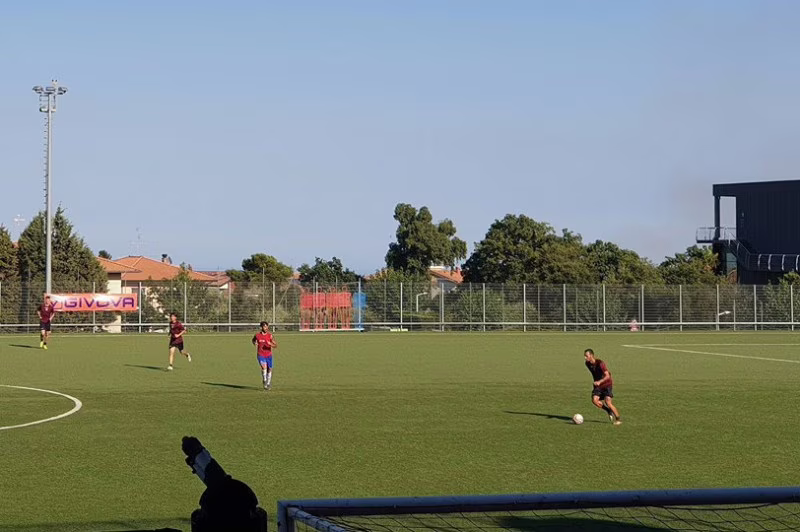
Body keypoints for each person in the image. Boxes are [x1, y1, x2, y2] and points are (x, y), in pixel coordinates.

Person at [584, 348, 621, 425]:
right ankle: (608, 410)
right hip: (598, 385)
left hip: (607, 384)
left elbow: (607, 376)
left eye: (586, 356)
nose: (585, 357)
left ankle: (618, 419)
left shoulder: (600, 363)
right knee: (594, 400)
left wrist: (599, 381)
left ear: (591, 355)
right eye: (585, 356)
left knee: (608, 402)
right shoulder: (587, 364)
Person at [251, 322, 277, 390]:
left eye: (267, 327)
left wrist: (270, 344)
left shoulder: (270, 336)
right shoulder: (257, 335)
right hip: (261, 355)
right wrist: (254, 343)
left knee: (269, 369)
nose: (266, 328)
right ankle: (265, 380)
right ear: (261, 327)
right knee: (264, 368)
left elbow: (275, 345)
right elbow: (253, 340)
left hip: (269, 355)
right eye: (265, 327)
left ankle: (268, 383)